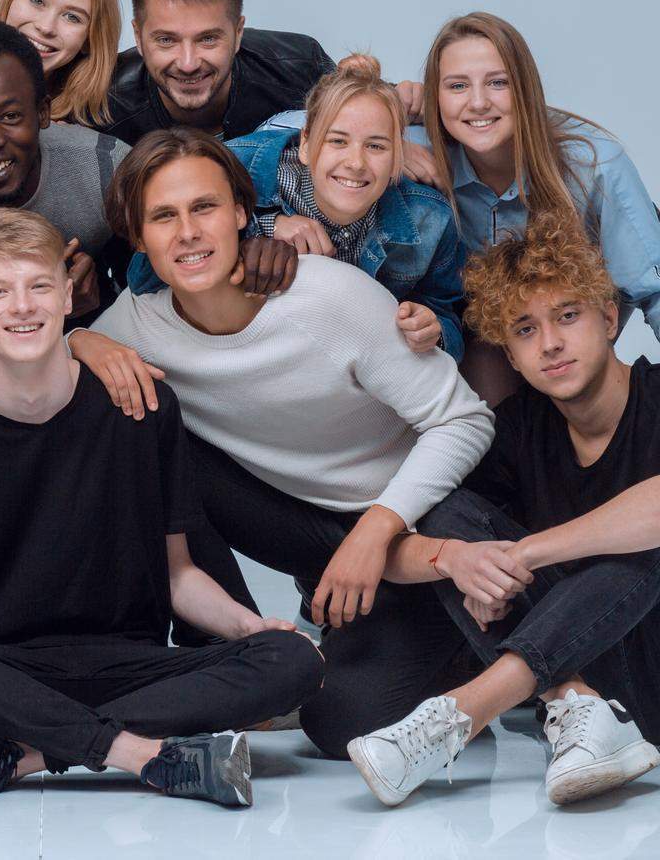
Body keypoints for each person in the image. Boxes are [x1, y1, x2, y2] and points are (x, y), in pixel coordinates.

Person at [0, 207, 322, 807]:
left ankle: (20, 757)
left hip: (131, 665)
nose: (22, 307)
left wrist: (251, 628)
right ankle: (140, 755)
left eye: (39, 286)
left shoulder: (142, 410)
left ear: (68, 296)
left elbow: (178, 575)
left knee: (292, 659)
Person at [70, 127, 495, 759]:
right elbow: (39, 362)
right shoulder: (138, 324)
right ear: (138, 237)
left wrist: (375, 532)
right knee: (144, 424)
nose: (187, 232)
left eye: (204, 207)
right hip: (310, 533)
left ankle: (468, 654)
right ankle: (238, 657)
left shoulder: (327, 298)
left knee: (338, 724)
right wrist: (82, 340)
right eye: (164, 216)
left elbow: (466, 420)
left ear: (242, 214)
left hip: (418, 514)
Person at [348, 213, 660, 807]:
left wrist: (524, 553)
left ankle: (456, 719)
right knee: (451, 518)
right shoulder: (519, 430)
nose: (551, 344)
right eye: (525, 329)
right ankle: (580, 707)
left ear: (610, 318)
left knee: (639, 546)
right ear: (511, 357)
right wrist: (458, 562)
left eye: (567, 316)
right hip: (591, 661)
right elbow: (402, 549)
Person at [0, 18, 294, 388]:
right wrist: (53, 315)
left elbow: (183, 247)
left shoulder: (104, 167)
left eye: (10, 117)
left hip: (99, 350)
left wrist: (255, 241)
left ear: (43, 113)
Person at [128, 55, 467, 360]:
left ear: (398, 157)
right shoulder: (235, 168)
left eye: (376, 146)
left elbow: (450, 315)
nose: (355, 163)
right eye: (337, 141)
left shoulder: (430, 219)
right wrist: (251, 237)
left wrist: (433, 329)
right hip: (250, 359)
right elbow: (143, 275)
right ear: (305, 144)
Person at [408, 11, 660, 403]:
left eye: (498, 82)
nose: (477, 102)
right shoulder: (412, 148)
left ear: (525, 89)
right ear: (433, 97)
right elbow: (307, 127)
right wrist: (385, 124)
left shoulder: (595, 166)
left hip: (573, 353)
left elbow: (656, 292)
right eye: (457, 86)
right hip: (473, 356)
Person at [100, 0, 336, 146]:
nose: (188, 64)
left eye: (208, 39)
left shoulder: (302, 69)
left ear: (238, 33)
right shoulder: (104, 108)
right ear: (138, 37)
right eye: (166, 40)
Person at [0, 0, 122, 129]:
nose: (46, 27)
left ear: (90, 40)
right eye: (37, 1)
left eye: (72, 17)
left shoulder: (91, 136)